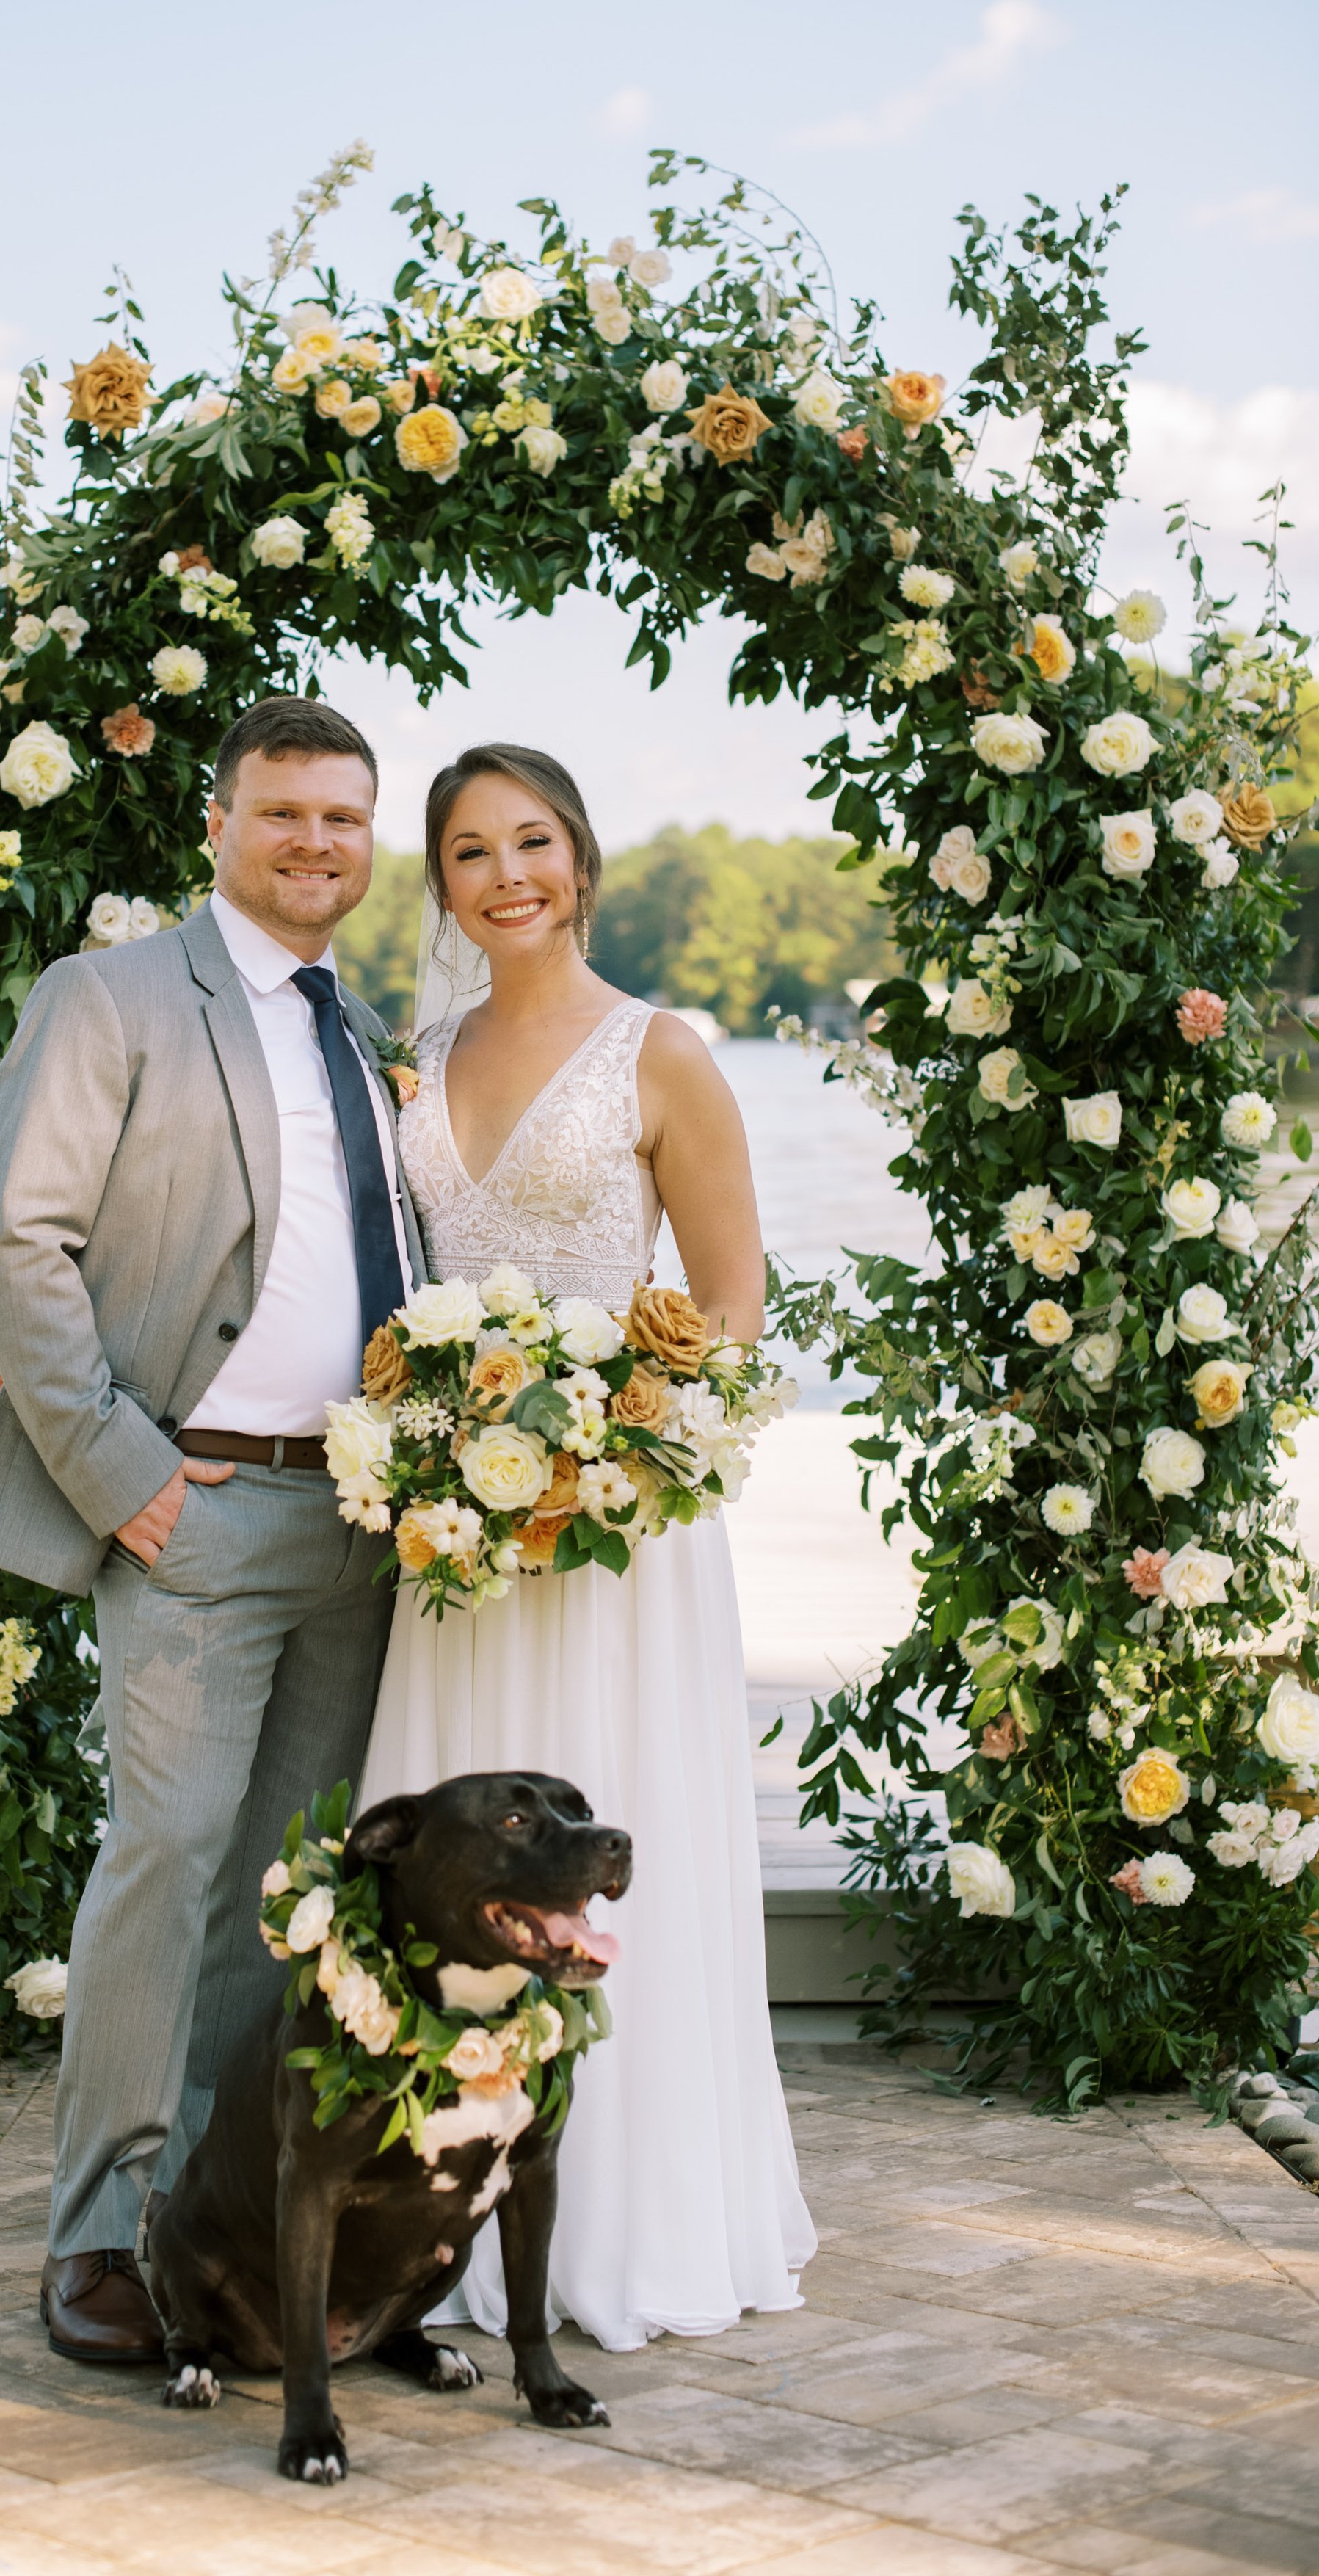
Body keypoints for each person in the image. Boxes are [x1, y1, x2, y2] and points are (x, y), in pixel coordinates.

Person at [0, 693, 423, 2363]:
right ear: (216, 826)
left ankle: (212, 2225)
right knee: (162, 1865)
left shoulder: (369, 1034)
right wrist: (126, 1476)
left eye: (345, 818)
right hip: (196, 1511)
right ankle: (92, 2238)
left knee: (280, 1895)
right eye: (284, 811)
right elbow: (15, 1245)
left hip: (361, 1528)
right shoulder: (115, 997)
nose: (316, 842)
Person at [360, 743, 815, 2354]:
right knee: (449, 1863)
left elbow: (729, 1300)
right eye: (470, 851)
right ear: (441, 885)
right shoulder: (416, 1058)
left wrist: (627, 1457)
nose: (506, 876)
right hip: (461, 1539)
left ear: (580, 857)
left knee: (613, 1831)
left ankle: (629, 2214)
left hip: (616, 1536)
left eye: (532, 841)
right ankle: (435, 2226)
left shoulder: (659, 1053)